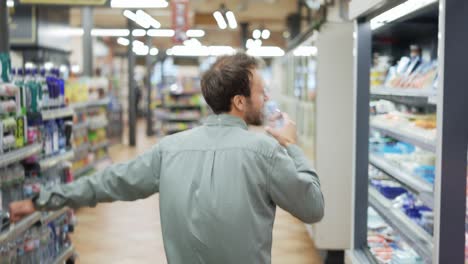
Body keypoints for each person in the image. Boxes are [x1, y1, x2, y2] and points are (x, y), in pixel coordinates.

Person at [10, 53, 324, 263]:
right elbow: (313, 206)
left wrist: (42, 200)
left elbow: (107, 182)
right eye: (261, 91)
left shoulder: (170, 149)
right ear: (239, 101)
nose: (267, 98)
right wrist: (291, 146)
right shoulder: (266, 152)